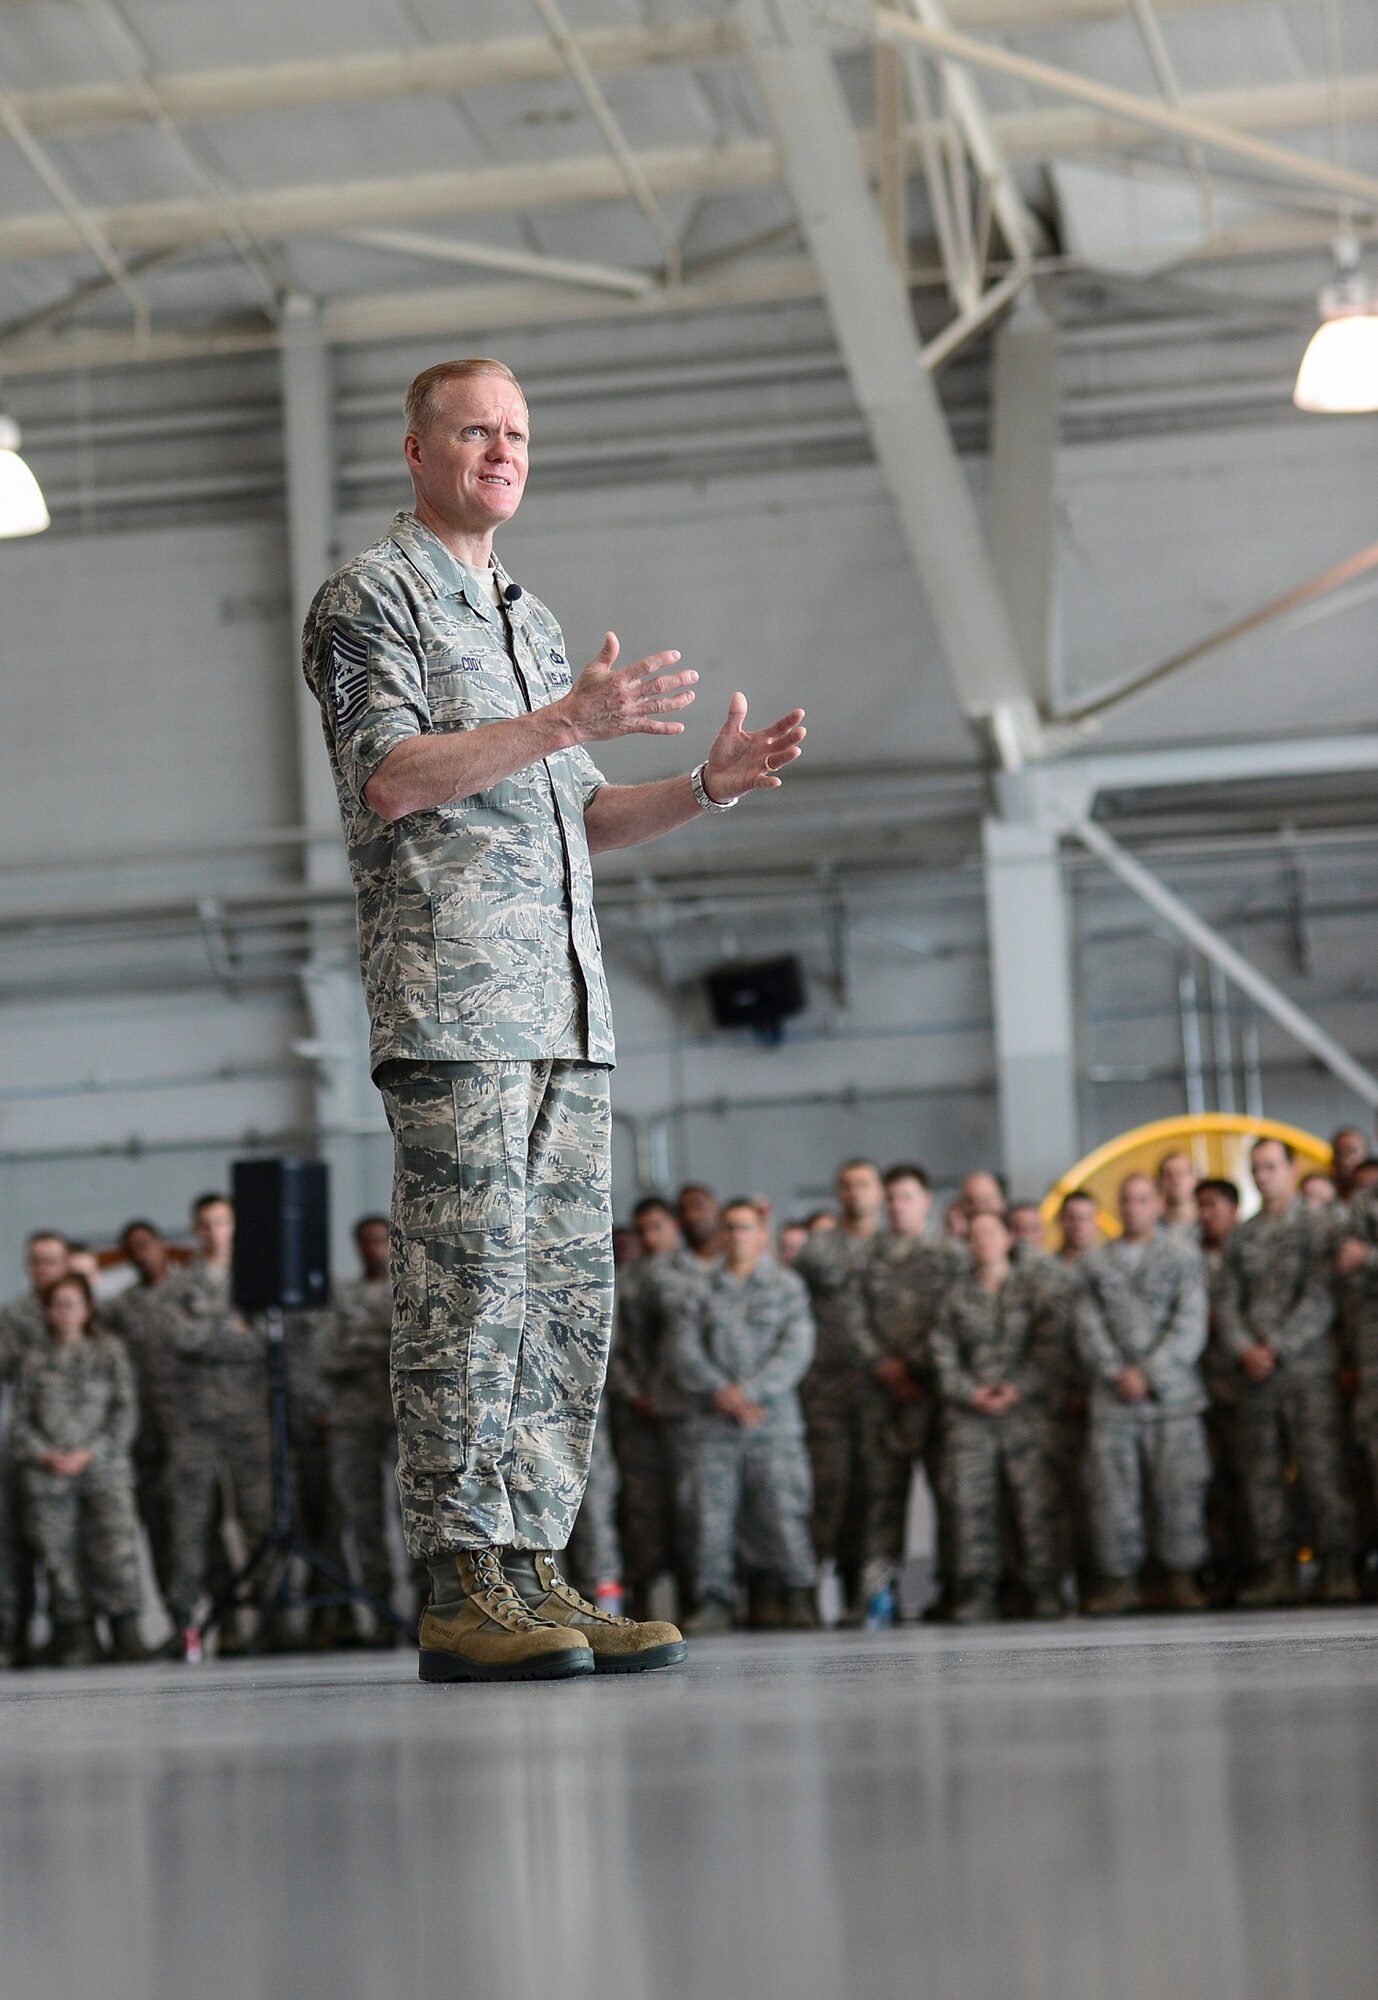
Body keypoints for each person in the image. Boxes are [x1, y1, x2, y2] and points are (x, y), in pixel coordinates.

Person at [302, 355, 804, 1682]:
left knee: (563, 1300)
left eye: (516, 431)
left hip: (568, 1010)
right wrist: (558, 719)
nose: (500, 450)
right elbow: (395, 779)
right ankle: (466, 1581)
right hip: (456, 1000)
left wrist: (703, 786)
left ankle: (533, 1568)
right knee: (467, 1294)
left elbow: (582, 811)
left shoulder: (529, 614)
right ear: (416, 451)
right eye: (473, 430)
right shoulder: (370, 599)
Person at [1217, 1138, 1357, 1607]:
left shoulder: (1320, 1225)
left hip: (1307, 1369)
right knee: (1262, 1476)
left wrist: (1276, 1347)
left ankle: (1338, 1566)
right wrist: (1244, 1348)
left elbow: (1322, 1297)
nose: (1263, 1176)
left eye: (1271, 1167)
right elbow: (1227, 1301)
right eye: (1256, 1168)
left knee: (1322, 1469)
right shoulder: (1242, 1234)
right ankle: (1274, 1570)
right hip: (1254, 1375)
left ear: (1292, 1168)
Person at [672, 1199, 816, 1633]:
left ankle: (797, 1595)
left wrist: (749, 1392)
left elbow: (795, 1350)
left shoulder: (786, 1286)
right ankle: (713, 1599)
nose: (737, 1235)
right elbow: (683, 1350)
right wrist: (724, 1392)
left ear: (761, 1234)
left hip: (772, 1424)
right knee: (708, 1518)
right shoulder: (697, 1289)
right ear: (720, 1235)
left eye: (746, 1227)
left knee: (783, 1511)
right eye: (730, 1228)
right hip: (712, 1425)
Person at [1075, 1173, 1210, 1615]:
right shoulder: (1096, 1261)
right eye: (1126, 1200)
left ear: (1157, 1204)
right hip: (1113, 1401)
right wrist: (1117, 1371)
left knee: (1179, 1492)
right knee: (1113, 1494)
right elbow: (1086, 1325)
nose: (1133, 1208)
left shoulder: (1182, 1254)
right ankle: (1121, 1582)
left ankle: (1182, 1578)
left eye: (1142, 1200)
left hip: (1172, 1400)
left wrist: (1149, 1372)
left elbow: (1191, 1321)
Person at [929, 1211, 1062, 1624]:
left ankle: (1041, 1589)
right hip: (969, 1416)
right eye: (974, 1235)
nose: (981, 1241)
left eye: (990, 1232)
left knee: (1034, 1503)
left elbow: (1051, 1346)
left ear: (1008, 1237)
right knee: (970, 1506)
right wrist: (969, 1391)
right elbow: (941, 1351)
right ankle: (977, 1590)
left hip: (1025, 1412)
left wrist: (1018, 1386)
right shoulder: (954, 1295)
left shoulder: (1035, 1289)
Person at [10, 1273, 144, 1665]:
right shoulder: (33, 1359)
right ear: (47, 1312)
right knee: (59, 1557)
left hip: (103, 1470)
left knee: (115, 1550)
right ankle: (78, 1635)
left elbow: (125, 1411)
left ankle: (126, 1634)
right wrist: (45, 1455)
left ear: (88, 1309)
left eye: (72, 1303)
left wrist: (92, 1452)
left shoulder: (109, 1352)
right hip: (48, 1475)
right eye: (57, 1305)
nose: (65, 1312)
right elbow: (18, 1423)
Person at [162, 1193, 273, 1657]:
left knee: (261, 1521)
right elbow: (180, 1339)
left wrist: (209, 1331)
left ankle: (270, 1620)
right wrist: (233, 1326)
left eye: (221, 1223)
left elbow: (267, 1342)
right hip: (196, 1424)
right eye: (204, 1224)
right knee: (191, 1526)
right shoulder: (178, 1282)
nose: (213, 1232)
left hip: (248, 1418)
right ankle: (194, 1624)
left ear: (234, 1227)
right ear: (194, 1229)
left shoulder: (255, 1276)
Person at [852, 1165, 964, 1625]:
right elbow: (852, 1319)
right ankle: (880, 1594)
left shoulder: (950, 1255)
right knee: (881, 1497)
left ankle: (956, 1590)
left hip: (937, 1392)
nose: (898, 1206)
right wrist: (884, 1364)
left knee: (952, 1494)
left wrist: (916, 1363)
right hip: (883, 1394)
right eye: (892, 1198)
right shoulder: (866, 1256)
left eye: (907, 1197)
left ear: (927, 1202)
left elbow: (955, 1318)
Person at [319, 1213, 418, 1642]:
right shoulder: (342, 1295)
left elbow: (414, 1346)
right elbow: (328, 1357)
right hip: (353, 1423)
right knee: (362, 1520)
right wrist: (384, 1342)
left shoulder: (413, 1289)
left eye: (382, 1240)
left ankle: (424, 1610)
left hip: (404, 1422)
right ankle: (378, 1612)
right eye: (366, 1242)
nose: (375, 1249)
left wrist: (364, 1340)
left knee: (415, 1519)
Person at [794, 1160, 885, 1620]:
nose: (855, 1193)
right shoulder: (817, 1250)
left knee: (876, 1492)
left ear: (880, 1191)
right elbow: (796, 1310)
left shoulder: (893, 1248)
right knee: (829, 1489)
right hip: (828, 1388)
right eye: (847, 1185)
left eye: (864, 1184)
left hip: (881, 1392)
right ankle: (811, 1591)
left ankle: (866, 1592)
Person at [605, 1196, 693, 1619]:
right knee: (640, 1510)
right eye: (642, 1230)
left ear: (674, 1226)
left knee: (692, 1504)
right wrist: (633, 1393)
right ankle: (638, 1597)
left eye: (658, 1226)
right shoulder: (624, 1279)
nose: (650, 1236)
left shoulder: (698, 1273)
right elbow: (613, 1348)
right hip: (638, 1414)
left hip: (690, 1412)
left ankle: (697, 1595)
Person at [0, 1230, 70, 1667]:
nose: (45, 1268)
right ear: (28, 1266)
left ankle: (73, 1635)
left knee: (69, 1551)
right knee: (13, 1547)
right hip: (25, 1450)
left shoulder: (84, 1311)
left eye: (52, 1260)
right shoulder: (14, 1316)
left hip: (75, 1449)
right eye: (37, 1260)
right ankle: (14, 1634)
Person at [104, 1220, 180, 1604]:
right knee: (158, 1529)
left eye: (146, 1244)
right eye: (131, 1248)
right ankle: (179, 1619)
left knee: (201, 1527)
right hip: (146, 1436)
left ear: (162, 1244)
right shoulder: (121, 1308)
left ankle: (229, 1620)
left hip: (189, 1430)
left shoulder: (189, 1292)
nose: (141, 1254)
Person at [1195, 1178, 1248, 1602]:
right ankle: (1222, 1570)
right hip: (1203, 1386)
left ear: (1233, 1207)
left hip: (1250, 1382)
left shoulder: (1252, 1246)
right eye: (1201, 1206)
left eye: (1213, 1205)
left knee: (1254, 1480)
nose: (1205, 1214)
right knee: (1211, 1485)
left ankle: (1260, 1568)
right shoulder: (1188, 1252)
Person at [1156, 1151, 1199, 1241]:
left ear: (1195, 1179)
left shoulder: (1211, 1227)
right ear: (1160, 1182)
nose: (1176, 1180)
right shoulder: (1149, 1231)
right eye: (1169, 1174)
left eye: (1182, 1173)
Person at [1331, 1126, 1369, 1202]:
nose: (1345, 1159)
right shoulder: (1325, 1189)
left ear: (1366, 1155)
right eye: (1338, 1152)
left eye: (1352, 1151)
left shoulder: (1373, 1188)